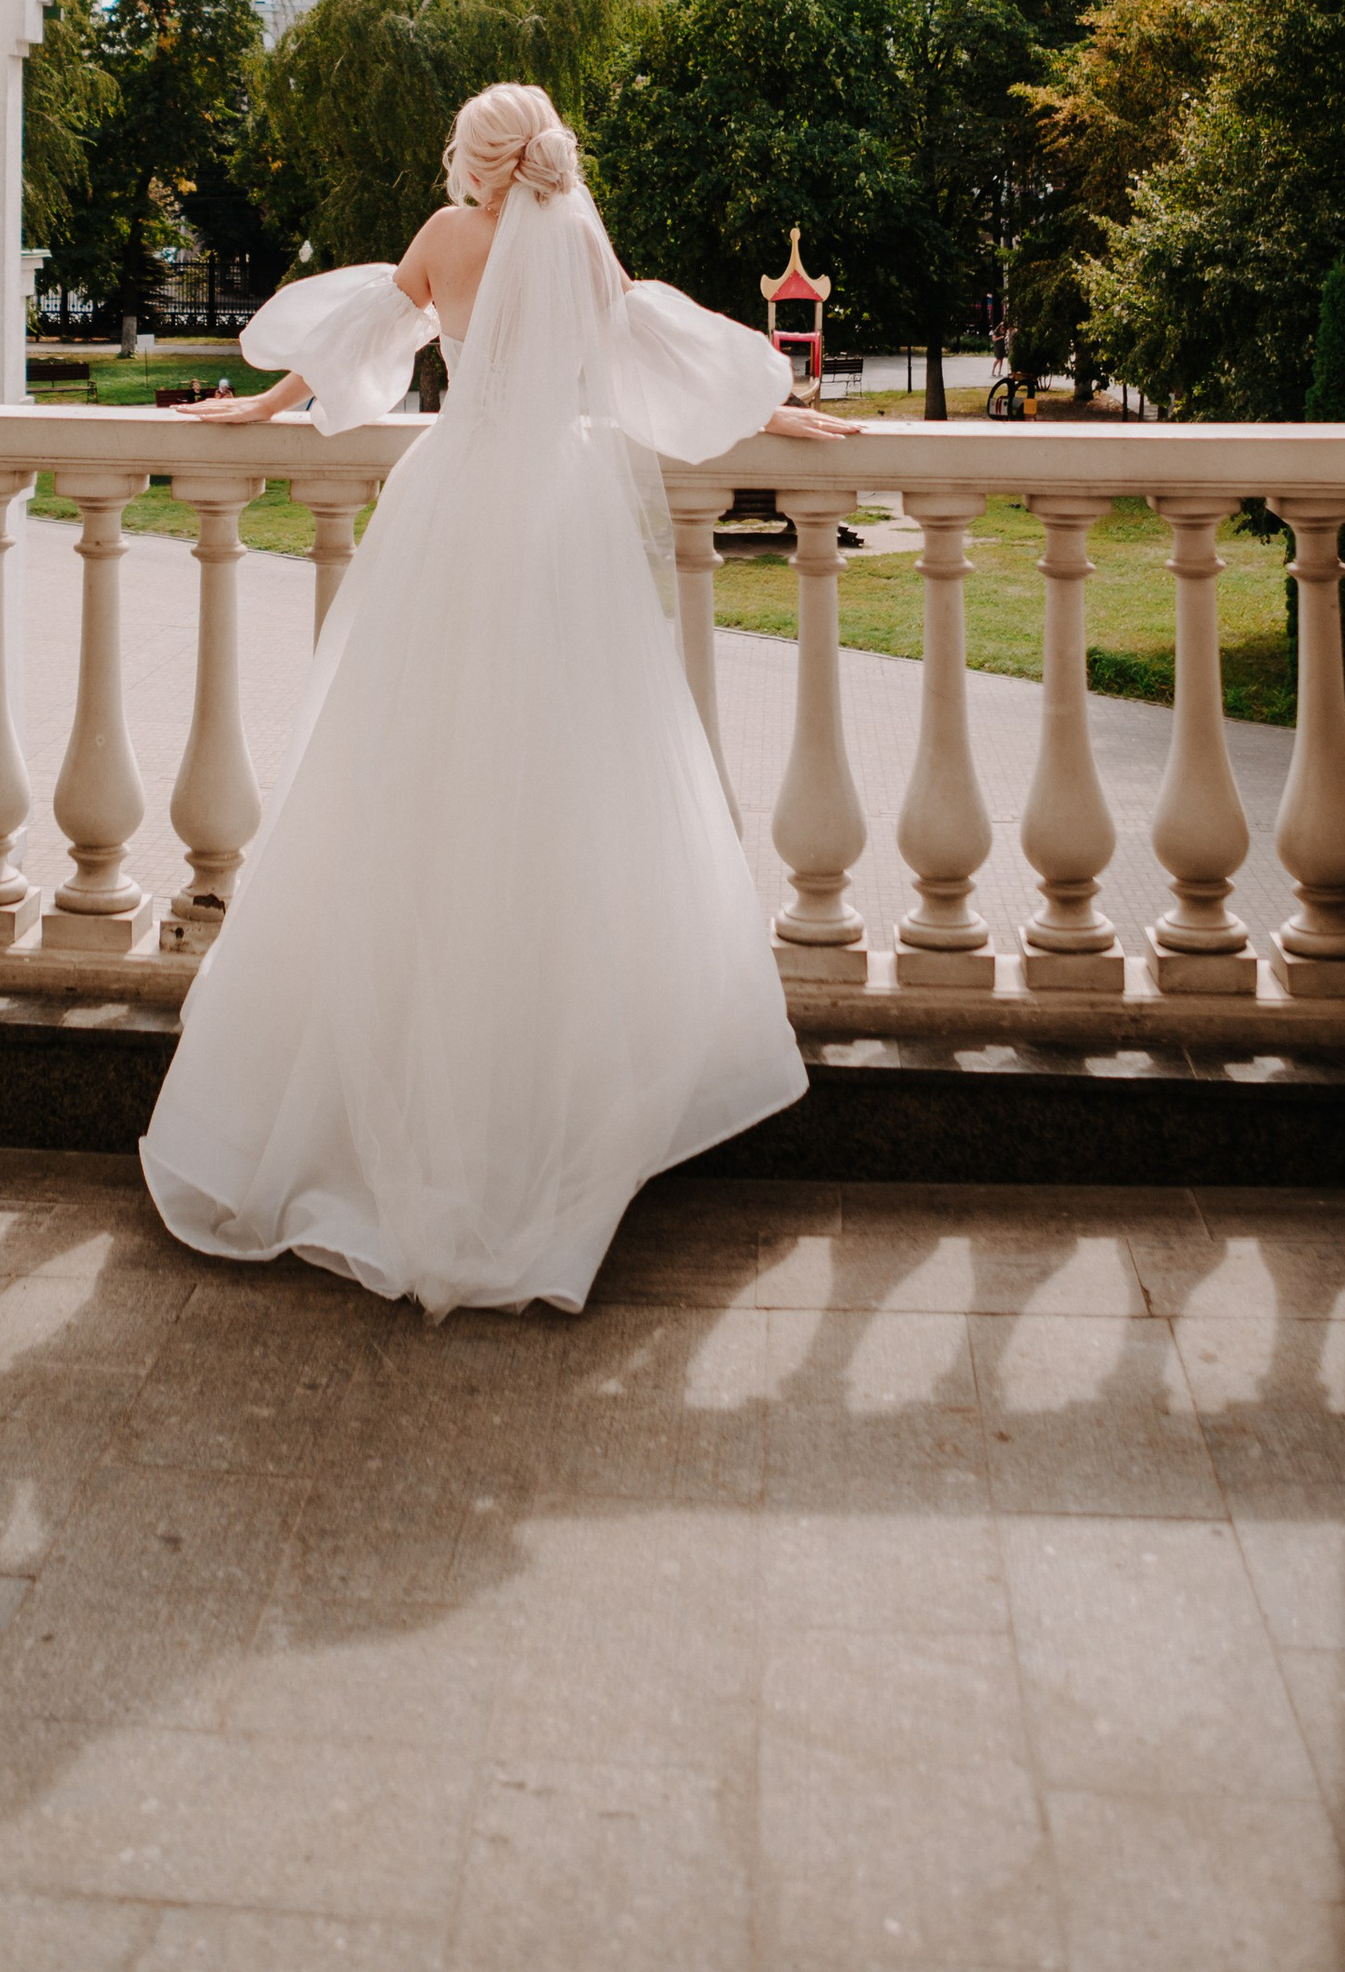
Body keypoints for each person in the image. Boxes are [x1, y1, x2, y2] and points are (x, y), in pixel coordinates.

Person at [138, 82, 840, 1316]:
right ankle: (540, 1108)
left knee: (414, 781)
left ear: (474, 157)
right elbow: (644, 351)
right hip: (560, 516)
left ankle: (405, 1107)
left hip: (458, 504)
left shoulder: (445, 239)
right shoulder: (578, 240)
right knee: (575, 788)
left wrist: (251, 405)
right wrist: (772, 402)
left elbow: (348, 346)